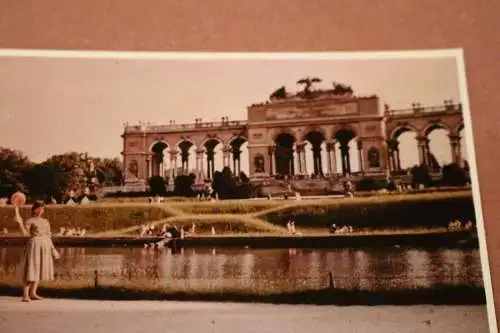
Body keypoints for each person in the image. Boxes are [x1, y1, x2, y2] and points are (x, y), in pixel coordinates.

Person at [13, 200, 60, 302]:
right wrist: (20, 224)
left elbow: (48, 236)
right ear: (34, 209)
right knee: (31, 269)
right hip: (34, 245)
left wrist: (53, 250)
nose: (40, 210)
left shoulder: (46, 221)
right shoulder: (30, 221)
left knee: (39, 269)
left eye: (42, 208)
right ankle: (25, 295)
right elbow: (25, 235)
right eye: (38, 208)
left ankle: (33, 293)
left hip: (45, 245)